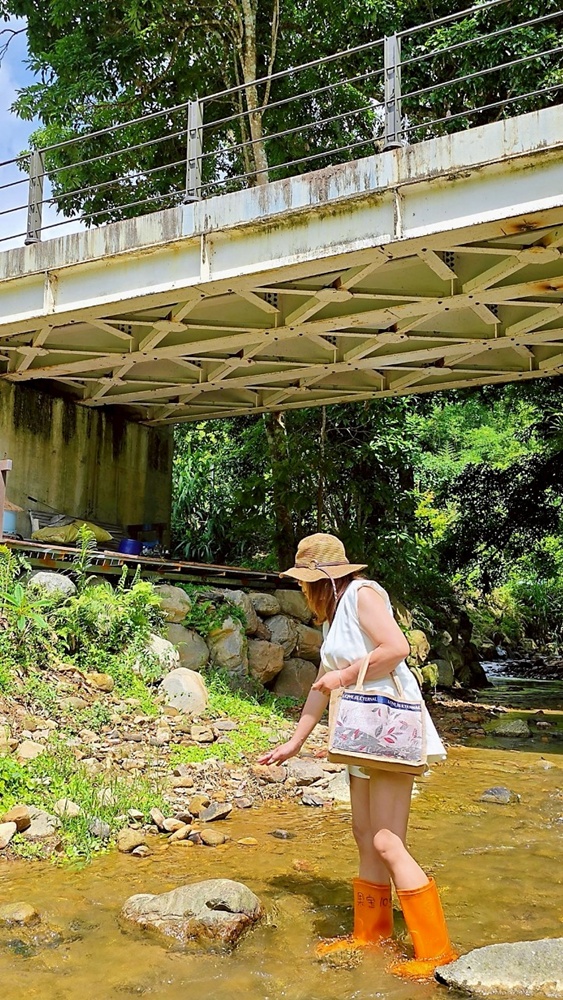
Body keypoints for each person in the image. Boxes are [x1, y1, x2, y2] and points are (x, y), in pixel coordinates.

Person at [258, 532, 456, 979]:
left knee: (387, 842)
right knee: (364, 835)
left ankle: (437, 953)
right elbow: (320, 684)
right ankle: (372, 935)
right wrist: (295, 742)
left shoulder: (364, 593)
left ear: (323, 579)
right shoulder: (334, 615)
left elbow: (397, 649)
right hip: (359, 733)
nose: (302, 590)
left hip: (384, 727)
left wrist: (345, 675)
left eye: (306, 582)